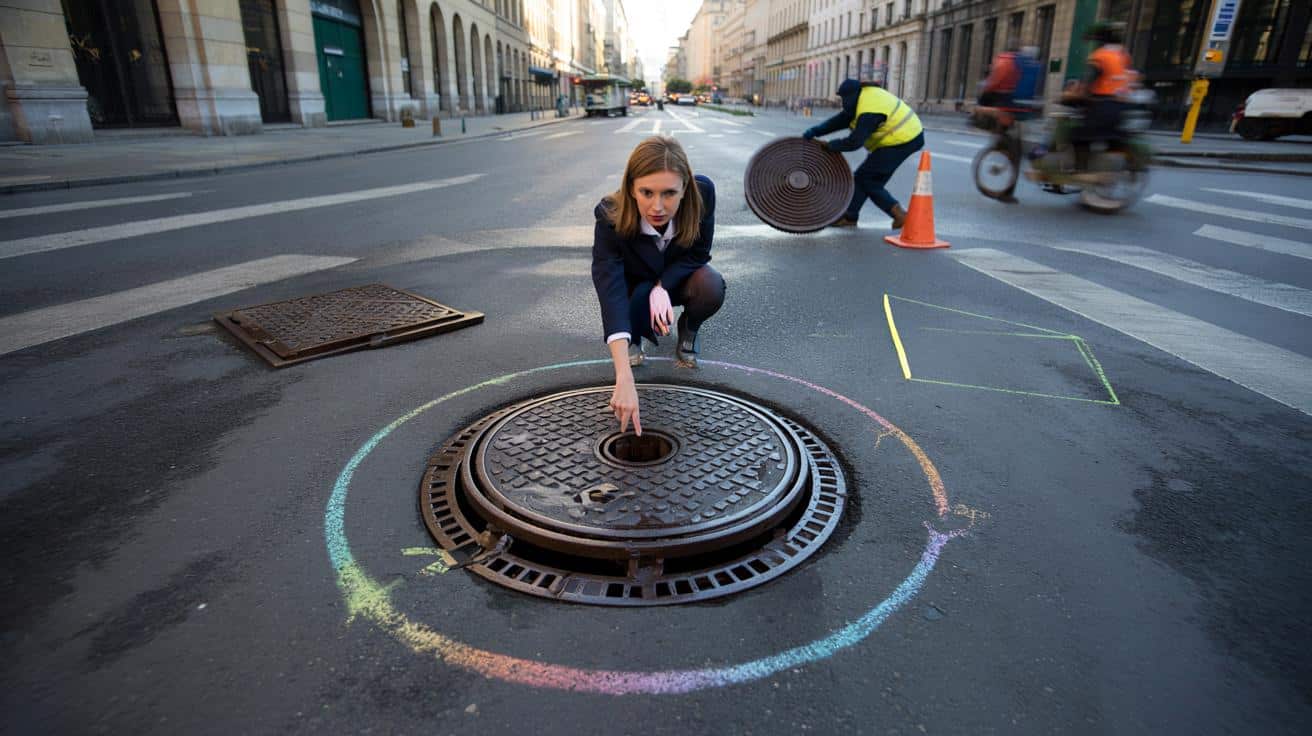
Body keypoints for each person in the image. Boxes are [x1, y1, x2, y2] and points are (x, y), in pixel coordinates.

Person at [592, 136, 725, 435]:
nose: (657, 206)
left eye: (669, 193)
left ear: (685, 190)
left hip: (675, 280)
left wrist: (663, 286)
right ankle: (634, 337)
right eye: (646, 192)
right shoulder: (609, 216)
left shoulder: (703, 194)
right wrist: (623, 378)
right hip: (633, 285)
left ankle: (689, 328)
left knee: (711, 285)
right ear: (631, 188)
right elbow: (609, 286)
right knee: (628, 295)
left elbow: (699, 254)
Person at [802, 79, 925, 230]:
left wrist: (831, 146)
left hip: (904, 139)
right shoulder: (861, 100)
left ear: (852, 95)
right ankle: (850, 216)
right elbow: (840, 120)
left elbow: (854, 142)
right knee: (865, 179)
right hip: (901, 138)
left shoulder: (869, 110)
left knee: (867, 179)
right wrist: (816, 130)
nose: (843, 102)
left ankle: (899, 215)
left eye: (844, 98)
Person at [1065, 21, 1137, 165]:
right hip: (1121, 109)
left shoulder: (1100, 56)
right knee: (1112, 136)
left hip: (1102, 107)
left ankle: (1080, 169)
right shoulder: (1124, 56)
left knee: (1077, 136)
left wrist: (1077, 93)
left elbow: (1089, 81)